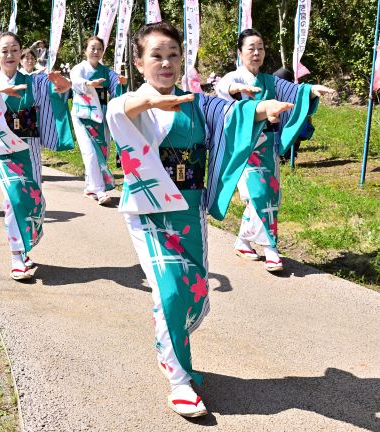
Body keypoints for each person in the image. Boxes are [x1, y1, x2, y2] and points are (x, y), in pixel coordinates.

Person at [105, 21, 294, 418]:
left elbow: (230, 113)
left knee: (193, 292)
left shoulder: (196, 101)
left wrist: (263, 108)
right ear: (139, 62)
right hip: (151, 212)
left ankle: (166, 344)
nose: (166, 63)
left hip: (188, 211)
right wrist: (150, 104)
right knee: (171, 291)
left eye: (173, 55)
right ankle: (178, 379)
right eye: (156, 55)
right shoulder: (133, 104)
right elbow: (117, 111)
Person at [214, 29, 334, 272]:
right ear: (240, 53)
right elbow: (224, 88)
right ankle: (271, 249)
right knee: (258, 195)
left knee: (270, 196)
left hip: (268, 146)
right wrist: (234, 89)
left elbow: (292, 91)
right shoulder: (233, 77)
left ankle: (243, 242)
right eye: (251, 48)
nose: (256, 52)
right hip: (245, 148)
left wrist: (310, 91)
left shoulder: (270, 80)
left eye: (260, 47)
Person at [0, 31, 74, 280]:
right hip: (3, 150)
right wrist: (0, 89)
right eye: (4, 50)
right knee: (15, 199)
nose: (10, 55)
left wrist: (63, 87)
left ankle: (25, 247)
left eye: (14, 49)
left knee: (34, 200)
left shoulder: (34, 81)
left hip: (28, 148)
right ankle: (16, 256)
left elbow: (58, 93)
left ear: (21, 53)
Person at [70, 36, 127, 205]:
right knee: (90, 152)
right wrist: (89, 83)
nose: (96, 51)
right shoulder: (78, 69)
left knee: (101, 151)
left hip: (101, 114)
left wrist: (122, 83)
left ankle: (90, 187)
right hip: (83, 115)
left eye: (99, 49)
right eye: (92, 48)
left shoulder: (106, 71)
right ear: (85, 50)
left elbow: (116, 87)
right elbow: (76, 82)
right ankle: (100, 190)